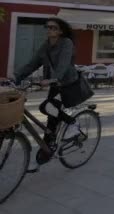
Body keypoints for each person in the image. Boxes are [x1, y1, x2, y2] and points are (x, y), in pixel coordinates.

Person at [13, 17, 82, 166]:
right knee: (52, 117)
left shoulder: (66, 43)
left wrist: (51, 79)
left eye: (53, 28)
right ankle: (48, 148)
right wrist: (16, 77)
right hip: (55, 84)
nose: (49, 30)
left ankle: (73, 124)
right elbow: (33, 63)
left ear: (61, 31)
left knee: (45, 106)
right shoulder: (45, 46)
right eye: (48, 27)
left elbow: (63, 66)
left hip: (68, 83)